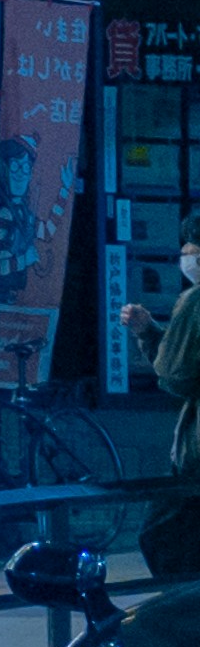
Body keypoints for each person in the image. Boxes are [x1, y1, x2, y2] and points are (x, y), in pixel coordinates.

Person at [143, 240, 200, 584]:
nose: (186, 257)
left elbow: (174, 373)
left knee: (161, 533)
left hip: (196, 456)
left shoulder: (195, 300)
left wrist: (150, 337)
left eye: (191, 250)